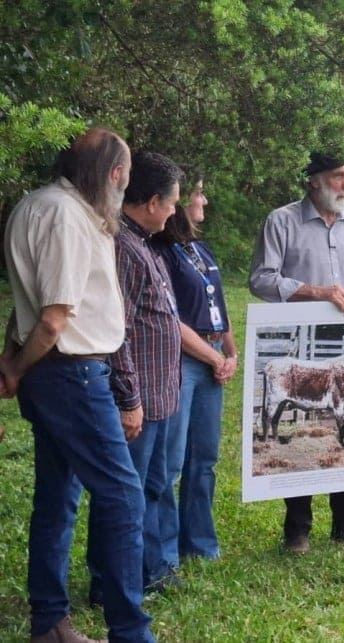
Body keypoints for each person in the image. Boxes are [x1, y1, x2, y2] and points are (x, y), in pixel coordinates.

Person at [0, 128, 157, 641]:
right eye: (126, 176)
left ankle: (49, 623)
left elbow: (25, 302)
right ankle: (129, 631)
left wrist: (11, 358)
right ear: (113, 174)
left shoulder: (33, 204)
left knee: (57, 497)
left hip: (56, 373)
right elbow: (52, 318)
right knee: (122, 496)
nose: (125, 186)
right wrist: (18, 368)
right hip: (71, 371)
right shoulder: (68, 216)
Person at [249, 149, 344, 552]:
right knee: (303, 434)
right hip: (302, 343)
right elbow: (261, 279)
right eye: (339, 176)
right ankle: (297, 531)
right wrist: (314, 292)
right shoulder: (281, 221)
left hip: (343, 342)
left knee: (341, 424)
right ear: (315, 181)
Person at [94, 150, 184, 600]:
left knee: (151, 488)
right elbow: (118, 332)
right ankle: (111, 583)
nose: (173, 213)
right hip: (140, 401)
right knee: (125, 496)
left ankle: (147, 571)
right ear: (151, 202)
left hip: (161, 398)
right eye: (171, 203)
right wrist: (130, 398)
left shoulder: (144, 245)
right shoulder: (124, 249)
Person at [154, 176, 238, 568]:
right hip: (184, 360)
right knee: (172, 462)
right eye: (199, 192)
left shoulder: (200, 249)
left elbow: (219, 308)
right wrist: (213, 357)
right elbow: (172, 321)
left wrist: (230, 353)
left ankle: (201, 545)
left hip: (213, 358)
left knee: (204, 459)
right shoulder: (162, 251)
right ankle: (165, 554)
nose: (204, 199)